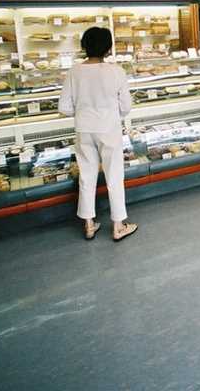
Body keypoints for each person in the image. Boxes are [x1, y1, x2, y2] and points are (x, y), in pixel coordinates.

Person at [59, 27, 138, 242]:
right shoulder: (116, 71)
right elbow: (126, 107)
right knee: (114, 176)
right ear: (108, 47)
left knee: (87, 176)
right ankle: (118, 226)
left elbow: (64, 108)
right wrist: (109, 112)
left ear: (84, 46)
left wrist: (85, 110)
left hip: (84, 129)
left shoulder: (74, 71)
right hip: (109, 128)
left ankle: (89, 224)